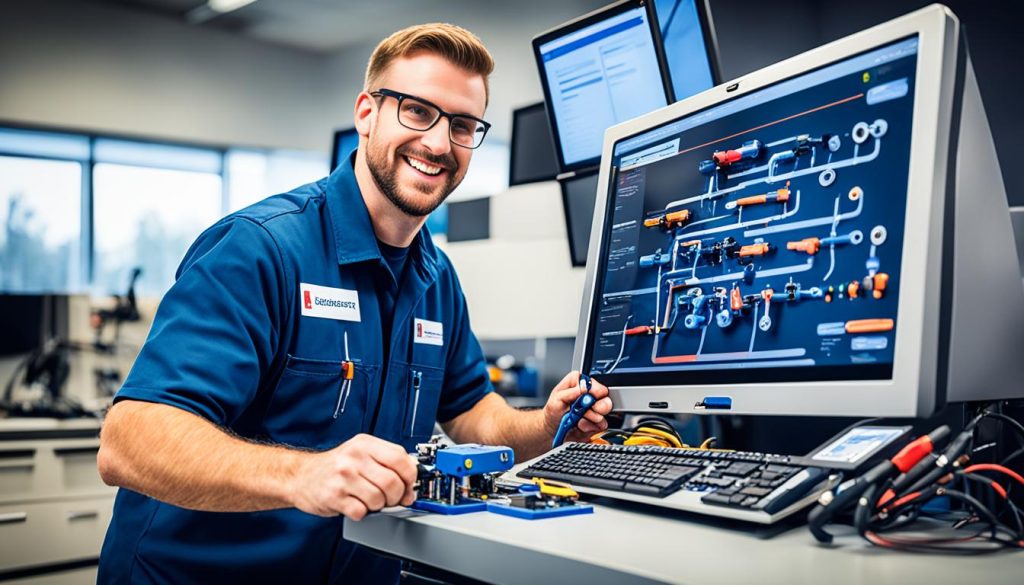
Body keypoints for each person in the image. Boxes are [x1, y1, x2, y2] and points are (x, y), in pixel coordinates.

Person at [96, 22, 613, 584]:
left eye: (462, 126)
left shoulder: (436, 277)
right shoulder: (261, 248)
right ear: (367, 113)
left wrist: (544, 423)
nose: (439, 144)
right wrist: (303, 475)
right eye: (417, 111)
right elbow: (129, 441)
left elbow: (471, 413)